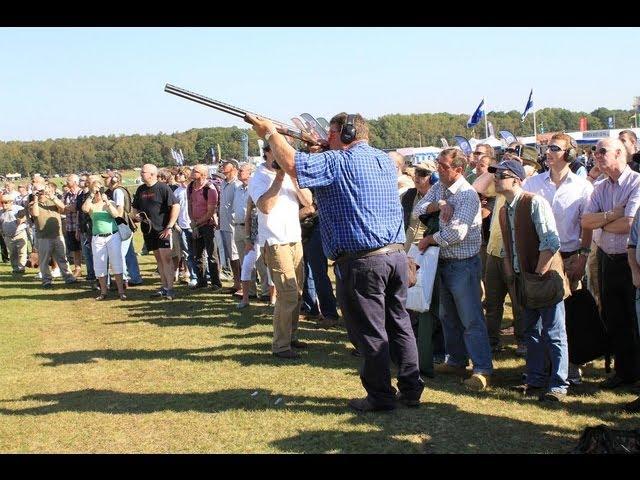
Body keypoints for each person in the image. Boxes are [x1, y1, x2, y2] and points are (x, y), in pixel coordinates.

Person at [249, 112, 424, 412]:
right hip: (395, 256)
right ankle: (410, 389)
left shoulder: (338, 161)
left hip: (363, 262)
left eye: (330, 133)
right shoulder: (382, 159)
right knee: (400, 325)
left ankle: (381, 396)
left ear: (347, 134)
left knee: (370, 332)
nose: (326, 138)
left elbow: (291, 164)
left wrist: (270, 134)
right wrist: (323, 148)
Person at [491, 160, 570, 401]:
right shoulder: (505, 209)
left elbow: (551, 242)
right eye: (496, 175)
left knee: (554, 332)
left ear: (516, 179)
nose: (496, 179)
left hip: (543, 279)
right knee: (532, 333)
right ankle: (535, 379)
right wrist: (511, 275)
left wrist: (537, 273)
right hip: (523, 279)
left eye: (502, 175)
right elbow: (507, 248)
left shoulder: (534, 202)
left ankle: (558, 384)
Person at [415, 148, 493, 392]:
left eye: (444, 166)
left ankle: (482, 369)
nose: (438, 168)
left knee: (471, 319)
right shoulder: (440, 188)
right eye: (439, 163)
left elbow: (455, 234)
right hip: (443, 263)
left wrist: (428, 240)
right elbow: (418, 210)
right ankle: (456, 360)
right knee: (448, 317)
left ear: (459, 170)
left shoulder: (468, 196)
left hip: (463, 265)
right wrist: (439, 204)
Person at [581, 138, 640, 389]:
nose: (596, 155)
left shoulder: (637, 183)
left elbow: (630, 224)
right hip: (607, 259)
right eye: (595, 151)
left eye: (602, 151)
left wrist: (602, 221)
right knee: (614, 317)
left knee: (635, 318)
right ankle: (625, 371)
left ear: (619, 153)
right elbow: (585, 221)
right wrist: (612, 215)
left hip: (631, 262)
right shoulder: (601, 187)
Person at [247, 143, 312, 360]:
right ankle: (281, 346)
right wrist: (280, 176)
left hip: (294, 239)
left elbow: (308, 201)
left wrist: (292, 175)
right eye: (276, 152)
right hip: (275, 242)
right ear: (266, 152)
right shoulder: (258, 177)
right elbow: (265, 207)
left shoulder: (291, 176)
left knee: (298, 292)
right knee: (287, 294)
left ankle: (291, 337)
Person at [132, 164, 180, 300]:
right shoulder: (141, 189)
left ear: (152, 174)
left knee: (166, 259)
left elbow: (176, 206)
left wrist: (169, 226)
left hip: (163, 230)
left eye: (143, 172)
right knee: (159, 260)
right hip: (148, 231)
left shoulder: (163, 188)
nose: (141, 174)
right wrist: (136, 215)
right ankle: (164, 287)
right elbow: (135, 208)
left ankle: (170, 289)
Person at [81, 179, 126, 301]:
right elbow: (84, 209)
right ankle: (103, 291)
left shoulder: (109, 202)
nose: (98, 193)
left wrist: (107, 202)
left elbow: (116, 215)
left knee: (116, 263)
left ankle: (121, 291)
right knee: (99, 264)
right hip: (98, 237)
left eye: (100, 190)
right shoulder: (91, 204)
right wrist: (91, 195)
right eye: (95, 190)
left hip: (113, 236)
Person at [28, 181, 77, 288]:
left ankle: (68, 277)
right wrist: (35, 199)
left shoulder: (52, 201)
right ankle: (46, 280)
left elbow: (63, 208)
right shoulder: (32, 204)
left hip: (57, 235)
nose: (40, 193)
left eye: (41, 190)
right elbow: (35, 213)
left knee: (62, 258)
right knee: (44, 260)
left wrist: (52, 196)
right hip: (43, 237)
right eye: (38, 191)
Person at [187, 164, 222, 291]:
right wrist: (192, 222)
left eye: (195, 171)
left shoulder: (210, 189)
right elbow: (190, 205)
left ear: (203, 174)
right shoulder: (190, 187)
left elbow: (210, 211)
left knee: (212, 255)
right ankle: (201, 281)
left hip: (208, 225)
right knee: (197, 255)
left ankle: (215, 282)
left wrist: (197, 223)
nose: (192, 172)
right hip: (196, 224)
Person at [108, 172, 143, 286]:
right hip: (126, 224)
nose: (105, 180)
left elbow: (120, 209)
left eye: (107, 178)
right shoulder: (121, 189)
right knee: (129, 253)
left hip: (122, 225)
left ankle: (124, 279)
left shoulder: (118, 191)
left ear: (114, 179)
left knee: (120, 253)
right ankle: (135, 277)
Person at [219, 159, 242, 293]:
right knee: (230, 255)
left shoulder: (237, 184)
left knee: (236, 255)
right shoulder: (223, 183)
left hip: (234, 225)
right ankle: (236, 282)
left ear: (233, 168)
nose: (222, 168)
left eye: (225, 165)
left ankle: (241, 284)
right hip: (224, 224)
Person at [0, 194, 28, 273]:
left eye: (6, 202)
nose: (4, 204)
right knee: (12, 253)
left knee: (22, 252)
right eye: (2, 202)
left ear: (11, 202)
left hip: (20, 233)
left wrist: (22, 219)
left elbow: (26, 214)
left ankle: (21, 268)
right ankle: (15, 269)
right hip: (8, 236)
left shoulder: (18, 208)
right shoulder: (1, 212)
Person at [62, 174, 83, 278]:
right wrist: (67, 207)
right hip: (70, 226)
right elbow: (61, 209)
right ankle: (77, 268)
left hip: (79, 226)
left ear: (75, 182)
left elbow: (75, 208)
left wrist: (66, 207)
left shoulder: (80, 193)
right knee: (74, 249)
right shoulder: (66, 194)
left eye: (68, 180)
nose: (66, 182)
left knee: (84, 249)